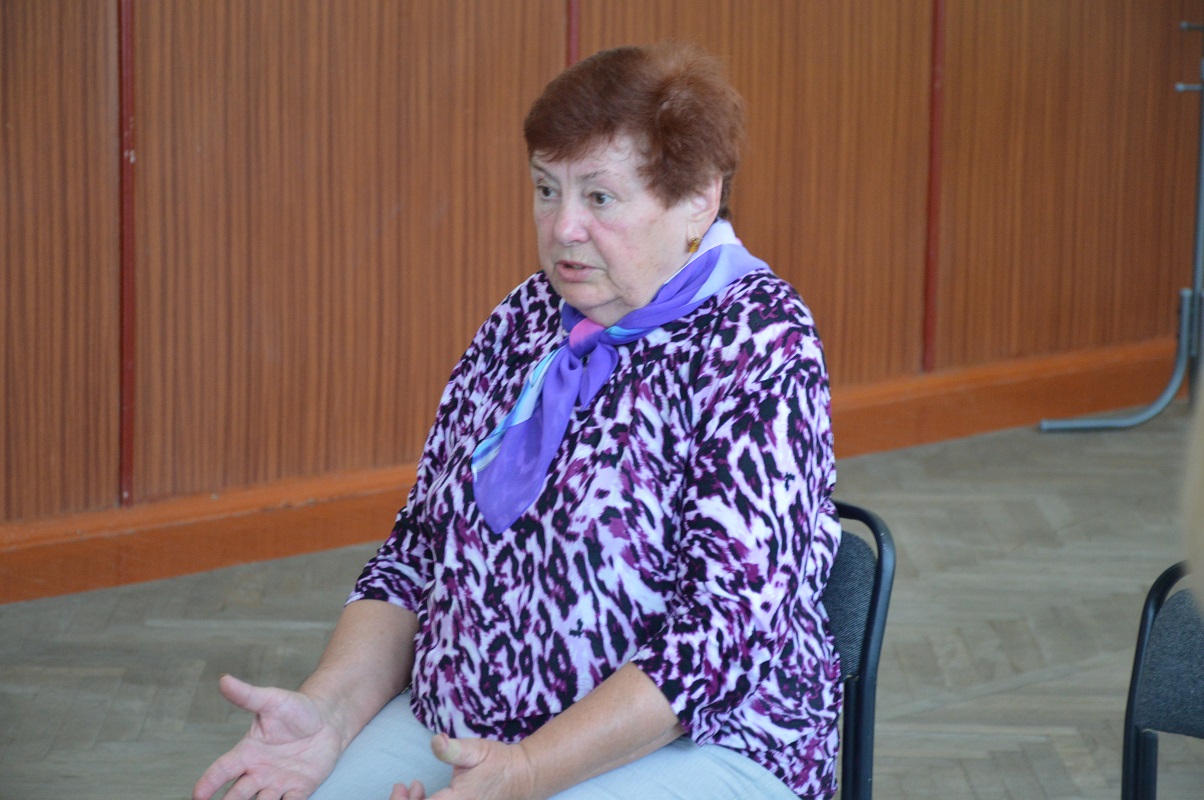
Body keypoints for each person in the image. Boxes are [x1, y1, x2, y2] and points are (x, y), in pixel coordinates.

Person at [193, 40, 842, 800]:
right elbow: (418, 550)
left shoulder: (759, 342)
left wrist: (529, 772)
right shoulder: (526, 316)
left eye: (599, 198)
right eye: (545, 189)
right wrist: (329, 715)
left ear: (699, 196)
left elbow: (716, 641)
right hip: (464, 722)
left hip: (703, 740)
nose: (563, 227)